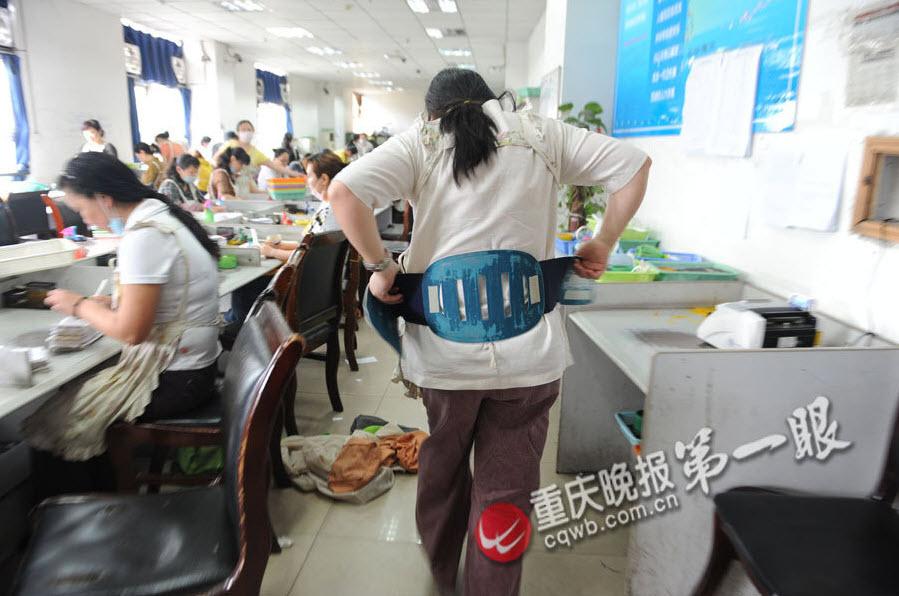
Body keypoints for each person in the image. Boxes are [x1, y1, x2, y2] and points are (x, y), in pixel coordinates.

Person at [326, 68, 651, 595]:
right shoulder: (543, 134)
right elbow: (635, 166)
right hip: (530, 357)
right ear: (492, 99)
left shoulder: (422, 142)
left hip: (445, 357)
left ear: (431, 113)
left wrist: (380, 265)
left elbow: (343, 193)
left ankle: (442, 574)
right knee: (507, 491)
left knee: (444, 468)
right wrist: (603, 242)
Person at [24, 152, 222, 498]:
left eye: (81, 209)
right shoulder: (160, 218)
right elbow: (160, 302)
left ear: (104, 198)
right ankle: (101, 493)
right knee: (75, 394)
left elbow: (132, 332)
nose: (84, 218)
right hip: (195, 369)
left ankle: (82, 513)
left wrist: (80, 305)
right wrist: (113, 304)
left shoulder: (146, 236)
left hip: (178, 379)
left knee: (57, 422)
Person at [260, 149, 345, 262]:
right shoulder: (330, 204)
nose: (307, 181)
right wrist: (282, 246)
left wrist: (272, 252)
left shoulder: (330, 212)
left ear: (324, 179)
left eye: (309, 176)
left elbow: (309, 255)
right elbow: (311, 246)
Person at [213, 120, 292, 180]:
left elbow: (274, 166)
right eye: (243, 130)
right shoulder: (231, 144)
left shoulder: (256, 152)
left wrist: (294, 173)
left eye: (249, 130)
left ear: (253, 131)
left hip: (244, 184)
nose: (246, 132)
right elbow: (215, 160)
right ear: (237, 132)